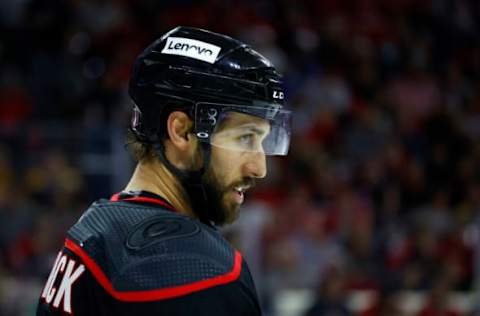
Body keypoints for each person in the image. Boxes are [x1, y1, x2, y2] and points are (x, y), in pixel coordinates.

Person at [36, 26, 292, 315]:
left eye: (262, 141)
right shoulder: (198, 269)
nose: (260, 168)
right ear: (181, 131)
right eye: (244, 137)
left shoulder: (96, 227)